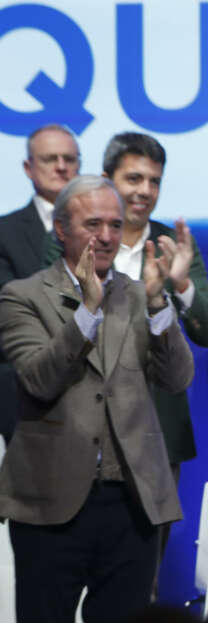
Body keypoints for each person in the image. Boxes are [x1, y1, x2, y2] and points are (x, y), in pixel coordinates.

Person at [0, 174, 193, 623]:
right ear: (61, 231)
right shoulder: (22, 297)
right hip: (50, 504)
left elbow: (176, 378)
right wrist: (87, 309)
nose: (107, 236)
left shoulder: (137, 294)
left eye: (115, 223)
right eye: (93, 224)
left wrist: (157, 304)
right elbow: (40, 378)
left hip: (130, 504)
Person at [101, 131, 208, 592]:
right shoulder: (82, 240)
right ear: (106, 178)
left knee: (140, 580)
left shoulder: (175, 249)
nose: (144, 191)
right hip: (84, 435)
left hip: (156, 431)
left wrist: (181, 287)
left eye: (154, 181)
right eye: (133, 178)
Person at [0, 124, 80, 444]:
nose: (61, 167)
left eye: (69, 159)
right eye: (50, 159)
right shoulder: (4, 233)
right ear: (28, 168)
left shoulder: (102, 231)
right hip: (24, 393)